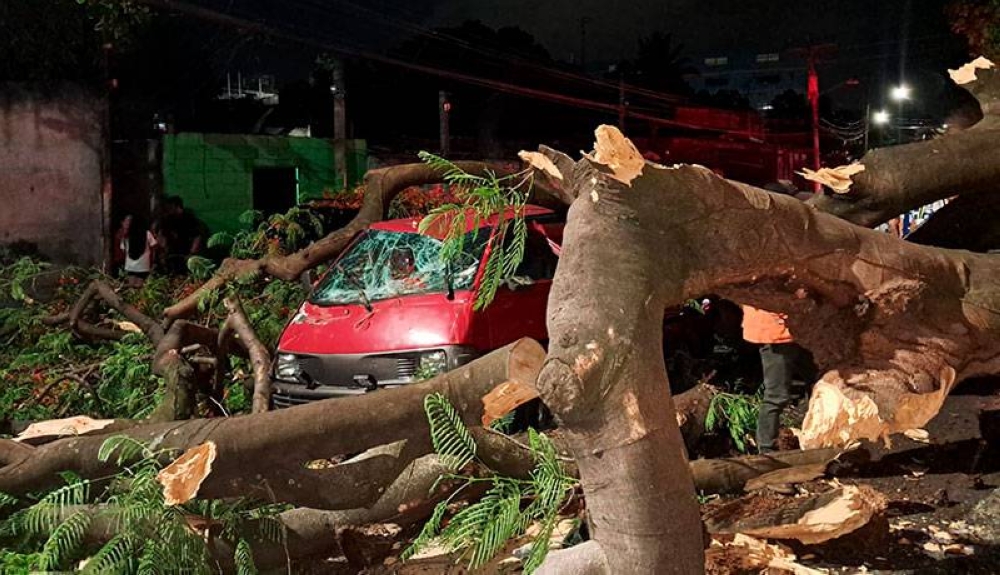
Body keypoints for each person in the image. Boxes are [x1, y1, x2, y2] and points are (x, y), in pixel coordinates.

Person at [741, 305, 817, 453]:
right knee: (776, 395)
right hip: (775, 334)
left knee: (819, 386)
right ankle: (766, 450)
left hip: (792, 330)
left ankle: (817, 435)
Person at [156, 196, 206, 274]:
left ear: (177, 206)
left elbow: (197, 236)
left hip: (186, 255)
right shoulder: (168, 219)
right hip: (172, 255)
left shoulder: (189, 219)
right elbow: (162, 236)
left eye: (170, 207)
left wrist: (192, 253)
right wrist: (163, 253)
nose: (168, 209)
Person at [120, 215, 158, 287]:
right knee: (139, 286)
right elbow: (154, 246)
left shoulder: (126, 236)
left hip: (130, 266)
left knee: (131, 285)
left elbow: (123, 250)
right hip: (143, 266)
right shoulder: (147, 233)